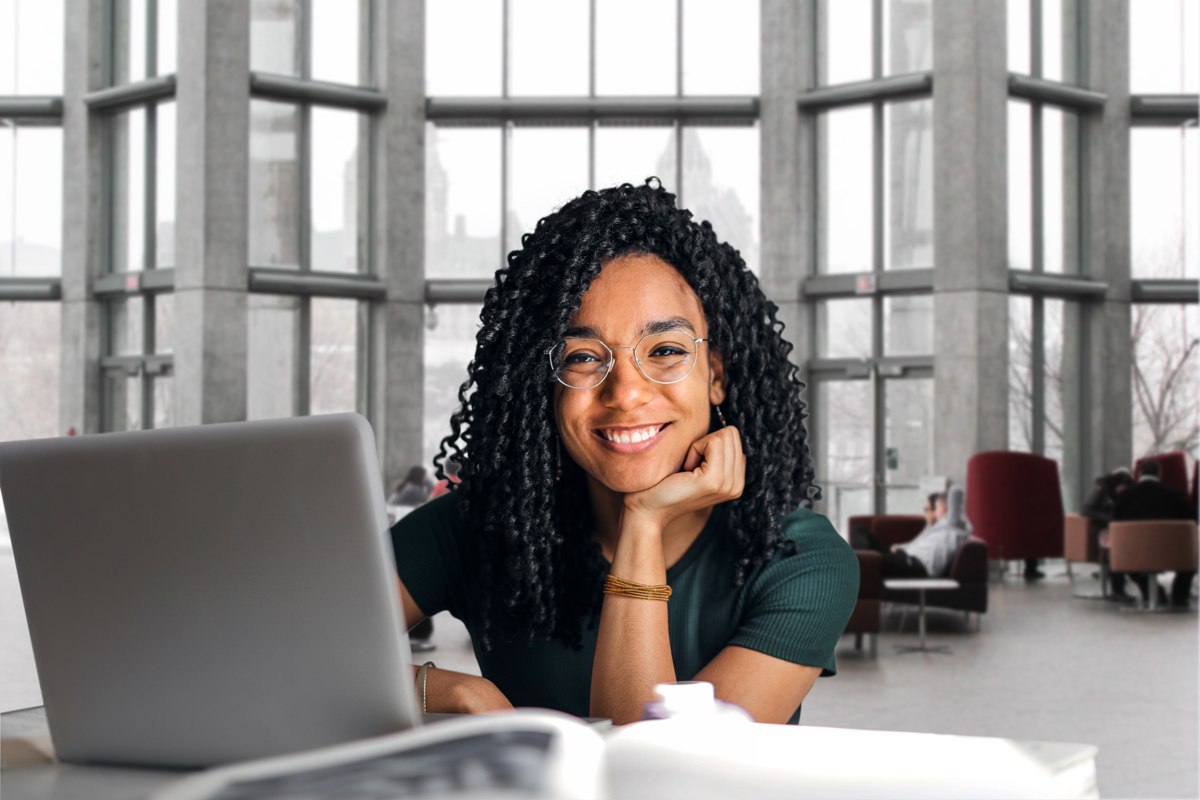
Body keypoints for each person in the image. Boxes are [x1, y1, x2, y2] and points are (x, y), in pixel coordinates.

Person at [390, 179, 859, 725]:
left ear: (716, 375)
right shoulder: (480, 526)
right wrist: (443, 690)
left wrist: (644, 522)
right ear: (545, 384)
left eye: (664, 350)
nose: (627, 392)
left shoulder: (800, 560)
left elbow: (657, 777)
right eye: (584, 358)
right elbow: (279, 654)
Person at [1111, 458, 1197, 607]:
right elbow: (1193, 518)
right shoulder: (1174, 493)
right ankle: (1179, 596)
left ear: (1139, 473)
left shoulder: (1125, 496)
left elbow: (1115, 521)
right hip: (1172, 552)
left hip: (1134, 554)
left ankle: (1153, 593)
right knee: (1191, 562)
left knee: (1129, 566)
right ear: (1160, 474)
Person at [852, 488, 971, 580]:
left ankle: (860, 562)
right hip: (904, 557)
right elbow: (917, 545)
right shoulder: (939, 528)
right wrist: (899, 549)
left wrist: (946, 499)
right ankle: (863, 559)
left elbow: (956, 492)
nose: (934, 512)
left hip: (915, 566)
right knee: (859, 529)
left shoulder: (956, 526)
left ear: (945, 508)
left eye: (937, 508)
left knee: (873, 561)